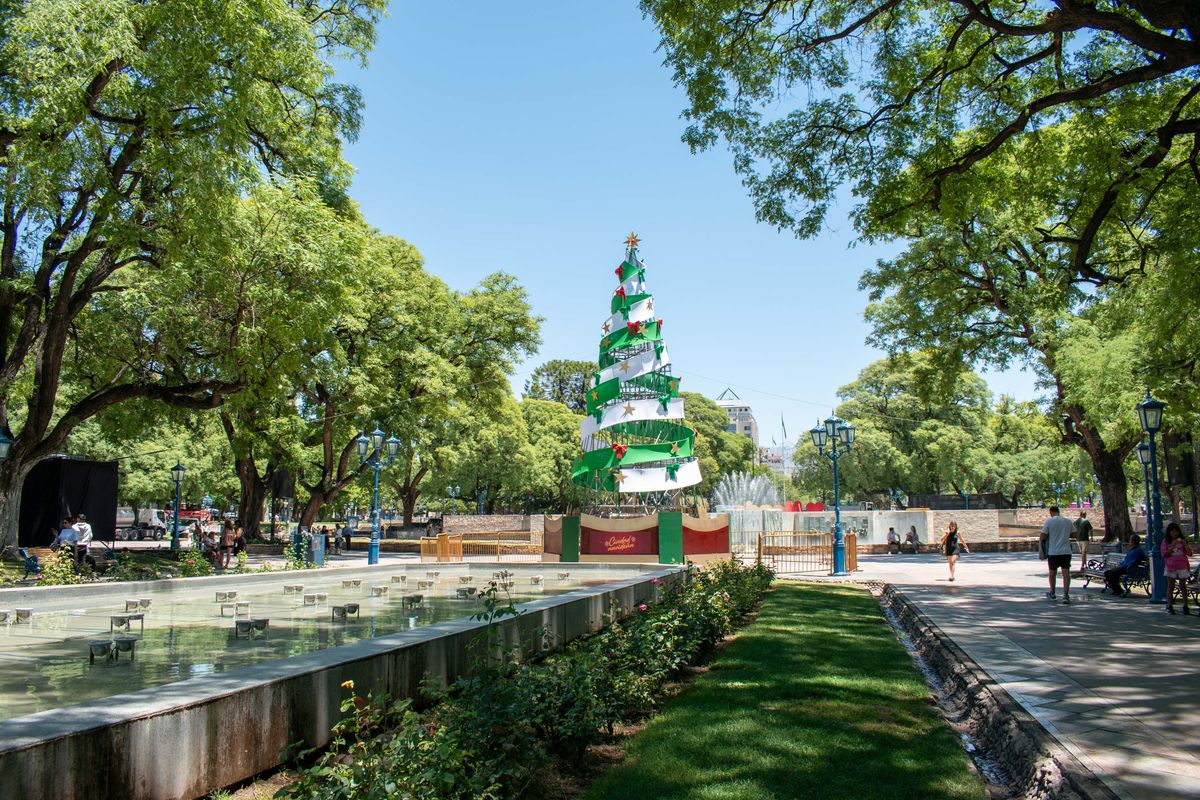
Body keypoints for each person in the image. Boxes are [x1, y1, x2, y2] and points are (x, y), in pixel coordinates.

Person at [1041, 506, 1075, 604]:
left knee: (1052, 573)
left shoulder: (1049, 522)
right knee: (1066, 573)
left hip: (1053, 551)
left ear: (1051, 512)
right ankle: (1065, 595)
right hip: (1066, 551)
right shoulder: (1068, 521)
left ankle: (1053, 592)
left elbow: (1043, 536)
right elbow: (1074, 534)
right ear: (1059, 512)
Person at [1162, 522, 1193, 615]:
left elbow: (1190, 553)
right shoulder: (1166, 541)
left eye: (1176, 531)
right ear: (1169, 532)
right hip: (1170, 567)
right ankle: (1170, 605)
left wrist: (1185, 545)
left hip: (1182, 566)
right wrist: (1172, 545)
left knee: (1183, 586)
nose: (1175, 533)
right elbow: (1164, 554)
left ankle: (1185, 606)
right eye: (1172, 531)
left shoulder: (1183, 541)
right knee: (1170, 586)